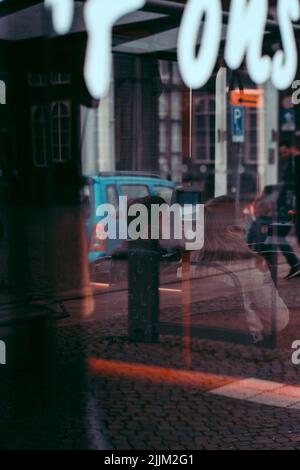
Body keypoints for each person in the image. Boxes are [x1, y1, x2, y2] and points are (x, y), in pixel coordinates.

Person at [191, 195, 289, 343]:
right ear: (233, 228)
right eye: (243, 217)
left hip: (196, 340)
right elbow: (279, 319)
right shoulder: (249, 264)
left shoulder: (189, 260)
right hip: (242, 344)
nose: (246, 224)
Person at [247, 184, 300, 279]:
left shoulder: (269, 199)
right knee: (278, 239)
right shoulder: (280, 196)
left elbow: (266, 212)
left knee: (275, 240)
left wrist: (248, 246)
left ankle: (294, 265)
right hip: (284, 219)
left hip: (279, 221)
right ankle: (295, 264)